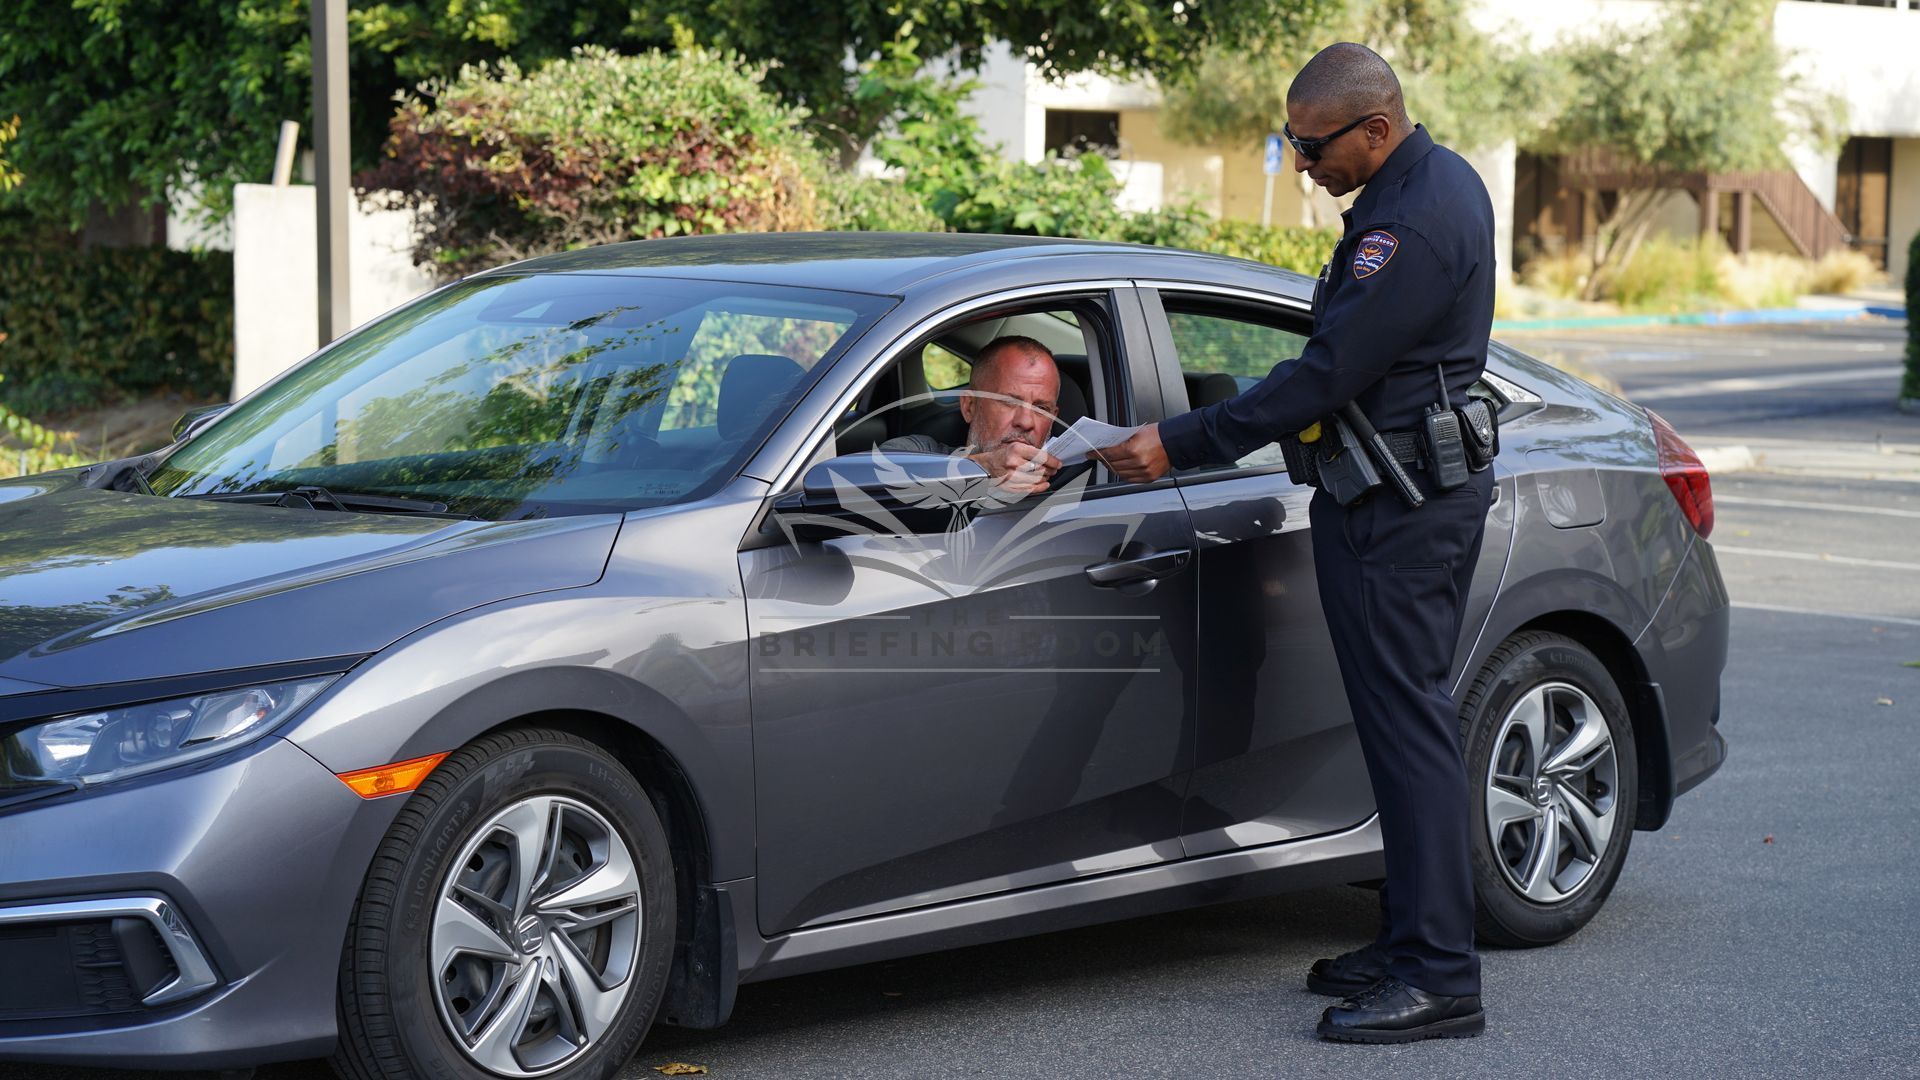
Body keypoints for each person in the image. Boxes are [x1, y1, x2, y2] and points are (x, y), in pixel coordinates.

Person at [1105, 42, 1498, 1045]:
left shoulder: (1409, 219)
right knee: (1396, 725)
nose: (1303, 163)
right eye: (1294, 144)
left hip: (1401, 506)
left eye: (1313, 145)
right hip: (1392, 494)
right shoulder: (1420, 186)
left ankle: (1442, 977)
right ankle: (1411, 939)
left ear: (1375, 127)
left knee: (1409, 729)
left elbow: (1328, 374)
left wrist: (1182, 440)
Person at [881, 335, 1064, 496]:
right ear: (970, 406)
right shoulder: (922, 452)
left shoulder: (1070, 483)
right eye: (1009, 402)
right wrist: (980, 468)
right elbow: (869, 474)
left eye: (1041, 409)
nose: (1025, 422)